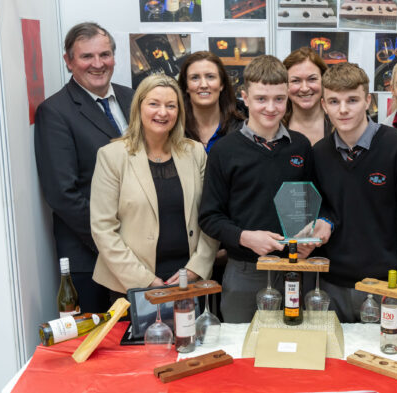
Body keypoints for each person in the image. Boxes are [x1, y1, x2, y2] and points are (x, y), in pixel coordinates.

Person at [306, 62, 397, 322]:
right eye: (334, 101)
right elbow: (323, 207)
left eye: (352, 100)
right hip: (331, 284)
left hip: (385, 286)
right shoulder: (319, 153)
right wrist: (325, 219)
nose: (343, 110)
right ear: (323, 105)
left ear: (368, 101)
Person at [198, 55, 313, 323]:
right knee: (242, 352)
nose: (271, 108)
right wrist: (246, 237)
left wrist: (314, 228)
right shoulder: (225, 150)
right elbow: (209, 217)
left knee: (294, 349)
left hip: (295, 269)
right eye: (261, 98)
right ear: (245, 97)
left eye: (279, 99)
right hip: (245, 272)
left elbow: (313, 202)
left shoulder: (301, 146)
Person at [34, 22, 134, 312]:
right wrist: (111, 244)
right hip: (90, 256)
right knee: (98, 346)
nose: (98, 64)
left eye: (104, 55)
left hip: (138, 253)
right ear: (68, 61)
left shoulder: (132, 99)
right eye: (87, 57)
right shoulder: (55, 112)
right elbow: (62, 194)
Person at [90, 74, 219, 296]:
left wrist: (196, 268)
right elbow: (103, 228)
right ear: (138, 107)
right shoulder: (112, 156)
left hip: (188, 281)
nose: (162, 112)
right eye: (153, 104)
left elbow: (212, 214)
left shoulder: (195, 152)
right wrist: (145, 280)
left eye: (171, 106)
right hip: (130, 283)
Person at [177, 51, 244, 154]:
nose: (203, 85)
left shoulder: (245, 127)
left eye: (210, 77)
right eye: (195, 78)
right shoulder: (174, 128)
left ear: (221, 84)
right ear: (186, 86)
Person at [282, 47, 333, 145]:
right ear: (284, 84)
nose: (304, 88)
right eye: (295, 81)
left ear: (324, 80)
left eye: (312, 79)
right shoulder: (274, 127)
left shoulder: (340, 124)